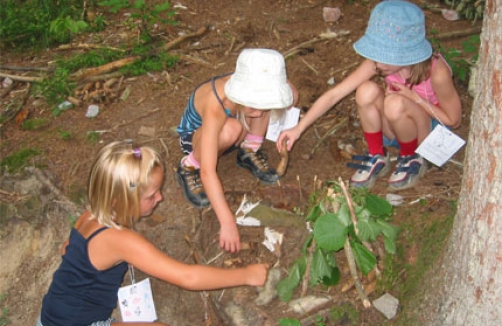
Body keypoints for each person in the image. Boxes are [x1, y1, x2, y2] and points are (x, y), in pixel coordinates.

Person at [37, 141, 269, 326]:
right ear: (120, 201)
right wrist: (247, 275)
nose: (160, 198)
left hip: (49, 317)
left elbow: (66, 248)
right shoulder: (120, 240)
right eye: (151, 196)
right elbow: (188, 277)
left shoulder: (89, 215)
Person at [277, 0, 461, 190]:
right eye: (377, 56)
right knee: (366, 90)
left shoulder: (436, 71)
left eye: (386, 57)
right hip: (395, 127)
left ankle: (411, 158)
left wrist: (414, 98)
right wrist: (298, 129)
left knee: (395, 103)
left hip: (424, 133)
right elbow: (335, 94)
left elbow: (453, 120)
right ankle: (377, 154)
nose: (379, 65)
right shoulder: (379, 63)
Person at [176, 48, 298, 253]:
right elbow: (208, 172)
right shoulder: (217, 101)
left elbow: (292, 95)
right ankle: (188, 166)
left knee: (252, 115)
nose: (258, 113)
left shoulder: (268, 85)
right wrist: (227, 222)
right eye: (253, 105)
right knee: (231, 130)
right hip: (198, 136)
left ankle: (249, 149)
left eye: (262, 107)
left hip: (235, 120)